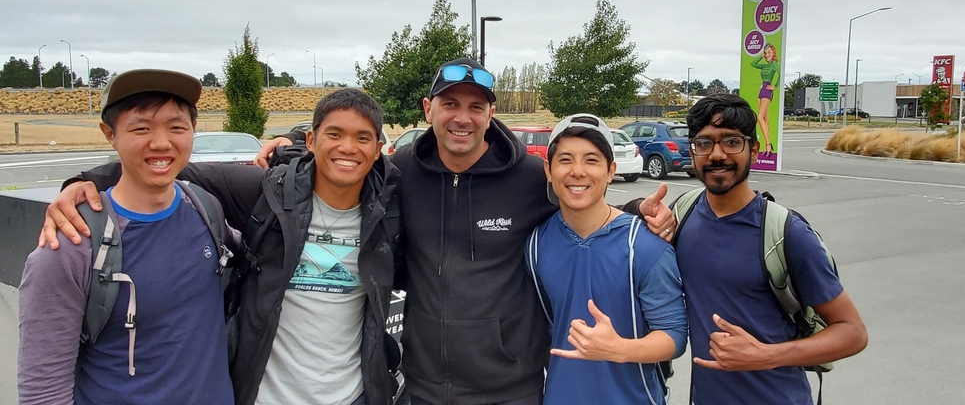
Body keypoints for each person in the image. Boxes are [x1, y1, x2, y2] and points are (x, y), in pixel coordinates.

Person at [259, 57, 677, 404]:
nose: (463, 117)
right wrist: (291, 145)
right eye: (450, 104)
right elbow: (345, 161)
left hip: (510, 389)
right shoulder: (399, 172)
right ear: (428, 109)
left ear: (491, 114)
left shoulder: (529, 177)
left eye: (476, 107)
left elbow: (581, 199)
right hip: (422, 385)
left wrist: (638, 209)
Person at [40, 88, 402, 405]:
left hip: (354, 395)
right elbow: (175, 168)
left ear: (378, 150)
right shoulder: (266, 193)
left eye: (362, 138)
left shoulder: (391, 210)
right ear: (311, 141)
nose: (347, 148)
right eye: (334, 134)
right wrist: (81, 182)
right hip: (262, 395)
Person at [19, 69, 237, 404]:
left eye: (177, 127)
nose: (161, 142)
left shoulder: (206, 211)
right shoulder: (71, 245)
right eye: (141, 128)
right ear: (110, 134)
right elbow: (43, 388)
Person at [676, 94, 867, 404]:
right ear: (692, 151)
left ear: (755, 148)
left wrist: (766, 355)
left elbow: (853, 332)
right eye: (704, 143)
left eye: (732, 142)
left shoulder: (786, 233)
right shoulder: (683, 213)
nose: (717, 154)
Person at [525, 113, 687, 405]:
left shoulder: (646, 246)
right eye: (565, 160)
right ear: (548, 170)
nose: (577, 171)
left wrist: (618, 349)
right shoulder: (536, 244)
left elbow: (674, 336)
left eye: (591, 160)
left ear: (611, 170)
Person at [750, 43, 780, 156]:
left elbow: (781, 74)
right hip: (761, 89)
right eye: (766, 53)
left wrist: (775, 86)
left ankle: (768, 144)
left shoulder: (774, 64)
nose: (767, 55)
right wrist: (761, 56)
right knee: (765, 119)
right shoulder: (765, 65)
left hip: (767, 90)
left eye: (769, 53)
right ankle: (768, 147)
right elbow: (753, 63)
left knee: (760, 118)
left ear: (773, 53)